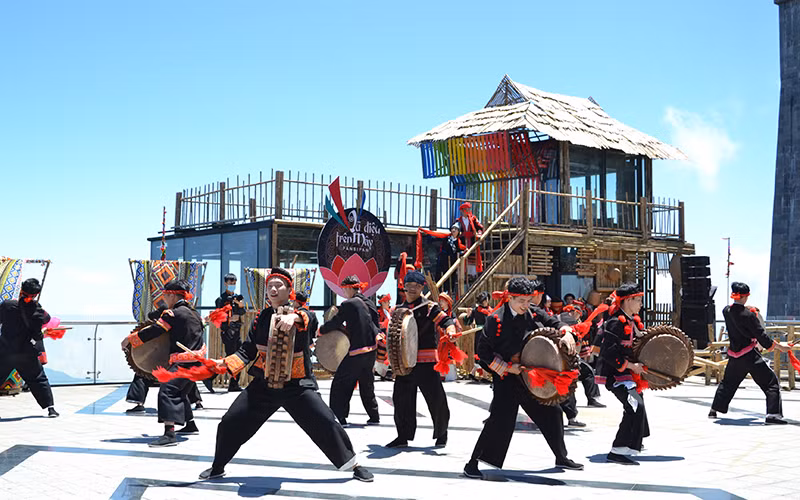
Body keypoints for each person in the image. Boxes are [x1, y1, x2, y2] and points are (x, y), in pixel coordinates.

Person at [200, 268, 373, 482]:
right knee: (230, 421)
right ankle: (217, 466)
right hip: (264, 385)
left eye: (278, 285)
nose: (273, 289)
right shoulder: (261, 319)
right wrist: (224, 363)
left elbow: (310, 321)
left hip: (297, 386)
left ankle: (353, 464)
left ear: (289, 290)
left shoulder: (301, 314)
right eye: (270, 285)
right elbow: (247, 350)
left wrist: (295, 318)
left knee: (326, 422)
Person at [464, 278, 583, 479]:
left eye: (529, 300)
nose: (526, 306)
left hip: (529, 378)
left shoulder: (533, 312)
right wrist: (508, 368)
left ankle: (561, 457)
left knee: (553, 413)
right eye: (522, 301)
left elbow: (555, 321)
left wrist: (568, 332)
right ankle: (472, 464)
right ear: (510, 298)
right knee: (499, 421)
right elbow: (483, 352)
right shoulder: (496, 320)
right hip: (507, 379)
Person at [121, 279, 205, 447]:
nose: (164, 299)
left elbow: (156, 330)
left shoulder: (173, 314)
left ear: (173, 295)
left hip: (183, 361)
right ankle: (190, 424)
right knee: (181, 392)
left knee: (167, 391)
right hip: (197, 362)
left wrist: (131, 340)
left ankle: (169, 434)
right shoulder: (194, 313)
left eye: (165, 295)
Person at [385, 270, 456, 449]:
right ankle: (403, 436)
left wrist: (450, 330)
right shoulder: (398, 310)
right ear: (404, 287)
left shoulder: (429, 307)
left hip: (426, 362)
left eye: (416, 286)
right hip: (405, 362)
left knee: (436, 399)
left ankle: (441, 434)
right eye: (409, 286)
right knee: (401, 399)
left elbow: (445, 320)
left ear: (421, 288)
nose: (412, 289)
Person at [709, 282, 790, 425]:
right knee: (771, 382)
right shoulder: (749, 316)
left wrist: (745, 309)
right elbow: (762, 337)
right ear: (746, 296)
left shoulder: (726, 311)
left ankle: (715, 409)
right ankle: (773, 415)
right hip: (749, 356)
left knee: (728, 383)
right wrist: (780, 347)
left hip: (734, 356)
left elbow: (736, 311)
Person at [597, 283, 652, 465]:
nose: (641, 304)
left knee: (637, 404)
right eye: (638, 300)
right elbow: (607, 353)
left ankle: (633, 441)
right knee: (635, 404)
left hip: (629, 376)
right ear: (628, 300)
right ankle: (617, 450)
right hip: (617, 376)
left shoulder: (633, 321)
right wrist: (630, 365)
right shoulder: (615, 322)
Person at [319, 275, 381, 426]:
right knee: (366, 383)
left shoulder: (349, 304)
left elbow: (336, 321)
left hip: (357, 351)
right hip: (371, 350)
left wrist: (322, 330)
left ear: (348, 288)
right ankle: (374, 416)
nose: (343, 292)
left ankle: (339, 417)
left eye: (343, 289)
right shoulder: (369, 303)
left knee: (341, 383)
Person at [0, 278, 59, 418]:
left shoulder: (7, 306)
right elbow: (42, 327)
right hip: (27, 353)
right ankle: (50, 409)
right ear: (36, 294)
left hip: (6, 350)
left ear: (21, 290)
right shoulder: (38, 310)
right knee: (38, 378)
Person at [215, 273, 246, 392]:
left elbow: (242, 312)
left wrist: (240, 306)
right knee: (231, 358)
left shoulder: (237, 298)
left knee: (239, 358)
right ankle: (213, 375)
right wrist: (229, 319)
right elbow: (218, 316)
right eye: (230, 283)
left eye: (234, 283)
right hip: (227, 332)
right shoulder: (221, 299)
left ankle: (234, 384)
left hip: (237, 331)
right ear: (225, 283)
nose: (232, 285)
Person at [454, 202, 484, 278]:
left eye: (468, 209)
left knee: (472, 257)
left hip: (472, 240)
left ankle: (472, 275)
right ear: (462, 210)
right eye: (466, 209)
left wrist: (479, 234)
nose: (467, 211)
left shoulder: (473, 219)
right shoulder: (458, 221)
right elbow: (455, 229)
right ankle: (462, 275)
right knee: (462, 256)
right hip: (463, 241)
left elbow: (479, 227)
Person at [437, 224, 465, 293]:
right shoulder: (447, 238)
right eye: (453, 229)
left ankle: (450, 291)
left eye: (455, 229)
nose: (454, 230)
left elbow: (457, 250)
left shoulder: (458, 241)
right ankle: (442, 290)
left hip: (453, 261)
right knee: (443, 275)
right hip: (444, 260)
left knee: (452, 276)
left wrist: (462, 252)